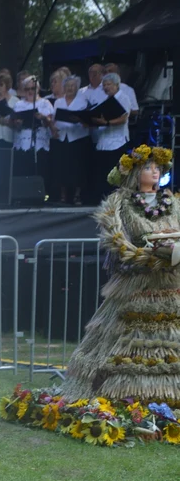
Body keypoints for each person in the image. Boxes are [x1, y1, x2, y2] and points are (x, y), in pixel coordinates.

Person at [61, 146, 179, 403]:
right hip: (136, 282)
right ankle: (118, 393)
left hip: (169, 281)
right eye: (148, 168)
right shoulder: (122, 204)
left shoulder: (173, 203)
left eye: (157, 168)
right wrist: (148, 253)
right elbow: (119, 242)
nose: (155, 172)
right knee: (127, 332)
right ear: (135, 173)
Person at [90, 72, 136, 203]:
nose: (106, 87)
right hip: (103, 141)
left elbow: (124, 117)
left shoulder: (124, 98)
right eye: (104, 85)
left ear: (116, 85)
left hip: (117, 141)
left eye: (108, 84)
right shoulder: (104, 100)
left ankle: (117, 200)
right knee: (103, 172)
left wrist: (108, 123)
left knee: (116, 173)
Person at [50, 75, 90, 204]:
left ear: (77, 87)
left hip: (77, 137)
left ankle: (77, 195)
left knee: (77, 167)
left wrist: (78, 119)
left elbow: (86, 119)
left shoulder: (82, 101)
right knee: (62, 167)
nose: (70, 88)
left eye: (73, 86)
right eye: (67, 86)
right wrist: (53, 128)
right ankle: (62, 195)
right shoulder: (58, 101)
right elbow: (53, 119)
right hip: (62, 137)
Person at [11, 76, 53, 176]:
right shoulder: (18, 104)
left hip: (39, 143)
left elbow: (50, 122)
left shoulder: (45, 103)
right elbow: (13, 124)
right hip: (22, 143)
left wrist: (43, 118)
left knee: (39, 174)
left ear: (38, 89)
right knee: (23, 174)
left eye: (32, 88)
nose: (30, 91)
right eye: (27, 89)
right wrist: (17, 124)